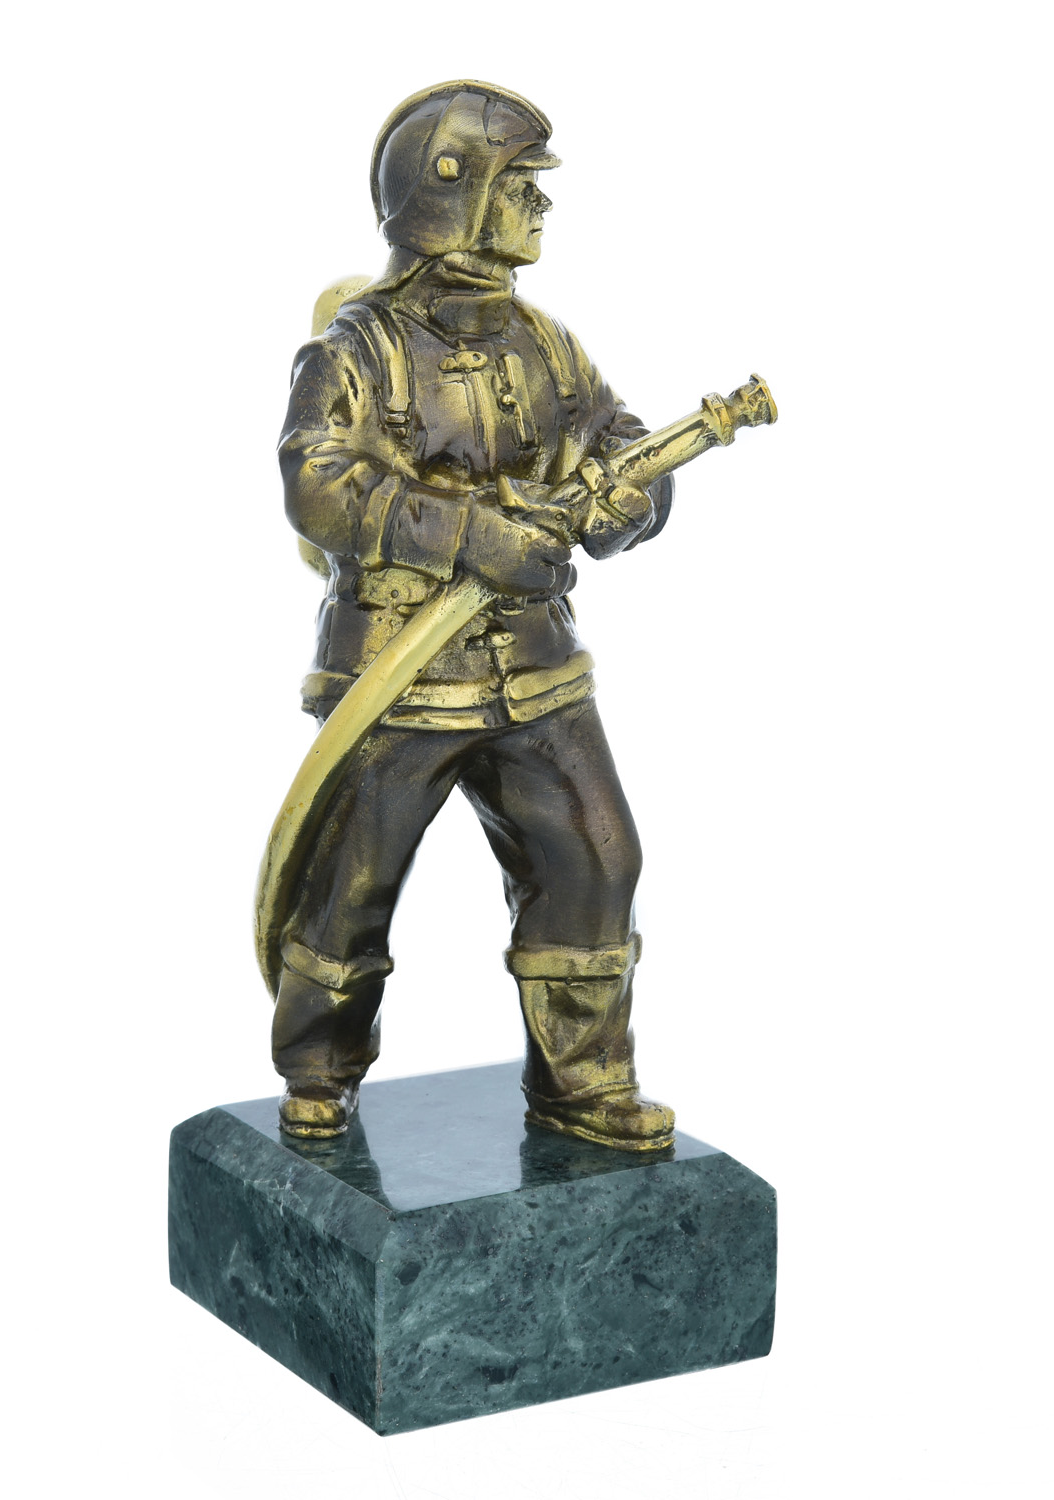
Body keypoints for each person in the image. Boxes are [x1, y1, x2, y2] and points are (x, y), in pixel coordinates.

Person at [273, 81, 677, 1151]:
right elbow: (318, 482)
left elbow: (614, 438)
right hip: (396, 674)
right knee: (350, 886)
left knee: (596, 857)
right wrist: (463, 534)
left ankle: (583, 1084)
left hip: (537, 669)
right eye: (521, 185)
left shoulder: (548, 344)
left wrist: (637, 501)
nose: (541, 205)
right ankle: (318, 1072)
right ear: (452, 195)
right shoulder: (354, 351)